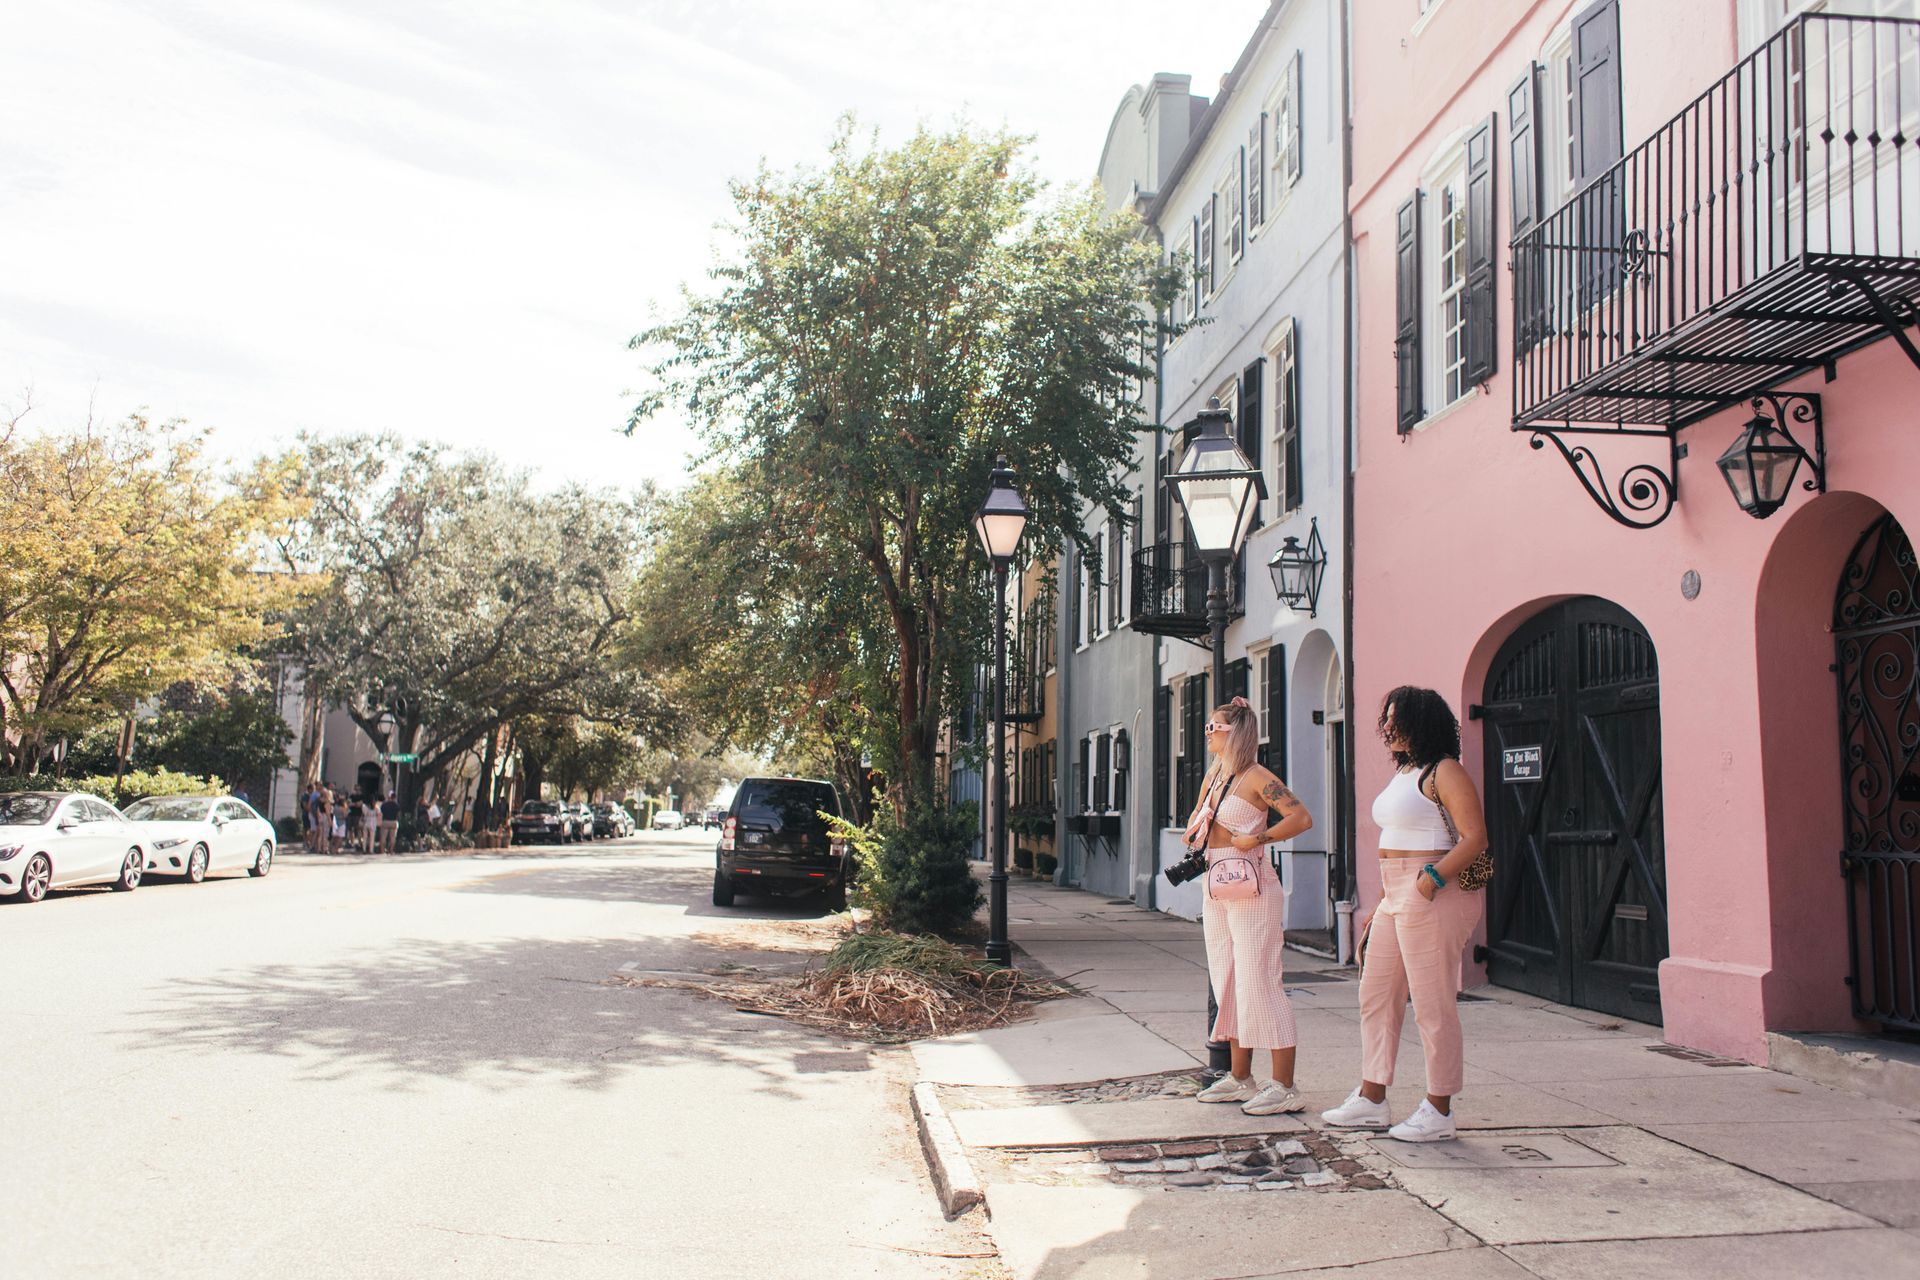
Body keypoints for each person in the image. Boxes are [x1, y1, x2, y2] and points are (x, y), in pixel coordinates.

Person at [1322, 686, 1490, 1143]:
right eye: (1387, 720)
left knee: (1433, 1004)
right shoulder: (1406, 773)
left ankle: (1439, 1109)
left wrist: (1430, 879)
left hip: (1432, 890)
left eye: (1399, 720)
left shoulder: (1445, 771)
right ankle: (1372, 1098)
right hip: (1396, 893)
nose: (1389, 728)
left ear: (1424, 723)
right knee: (1376, 994)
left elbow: (1475, 837)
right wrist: (1384, 900)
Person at [1184, 696, 1314, 1116]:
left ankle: (1286, 1086)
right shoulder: (1214, 776)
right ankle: (1241, 1077)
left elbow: (1301, 818)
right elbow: (1198, 822)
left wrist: (1258, 838)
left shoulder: (1259, 778)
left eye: (1213, 727)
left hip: (1252, 883)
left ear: (1234, 732)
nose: (1206, 733)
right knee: (1228, 979)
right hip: (1216, 880)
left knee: (1260, 979)